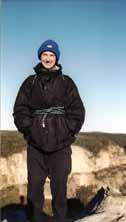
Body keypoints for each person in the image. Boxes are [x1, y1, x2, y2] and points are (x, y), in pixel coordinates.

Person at [13, 39, 85, 222]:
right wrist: (30, 131)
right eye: (44, 54)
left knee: (59, 189)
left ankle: (60, 219)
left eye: (51, 55)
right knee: (35, 188)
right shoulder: (30, 82)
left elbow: (77, 111)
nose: (48, 58)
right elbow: (20, 109)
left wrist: (67, 132)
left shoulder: (66, 82)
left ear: (57, 58)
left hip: (61, 146)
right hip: (36, 146)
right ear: (40, 56)